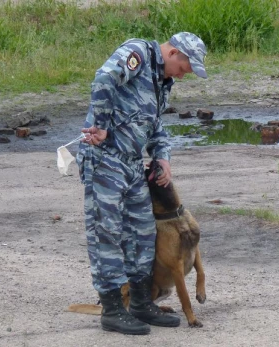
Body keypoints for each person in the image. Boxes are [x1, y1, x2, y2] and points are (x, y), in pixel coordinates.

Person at [75, 32, 207, 335]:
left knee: (144, 232)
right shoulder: (137, 54)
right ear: (173, 53)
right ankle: (111, 308)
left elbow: (155, 122)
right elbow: (104, 79)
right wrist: (103, 126)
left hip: (134, 163)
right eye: (185, 68)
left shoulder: (162, 80)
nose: (184, 76)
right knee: (106, 232)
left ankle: (140, 302)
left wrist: (163, 156)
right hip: (104, 158)